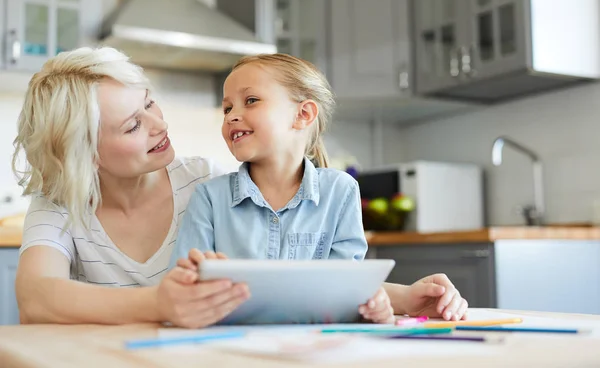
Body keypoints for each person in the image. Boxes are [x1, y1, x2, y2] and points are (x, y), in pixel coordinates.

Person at [172, 54, 469, 324]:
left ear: (303, 114)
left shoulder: (340, 191)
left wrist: (372, 305)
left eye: (250, 100)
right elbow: (182, 289)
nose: (232, 116)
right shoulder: (209, 198)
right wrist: (199, 279)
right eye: (227, 108)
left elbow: (345, 290)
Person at [12, 47, 249, 328]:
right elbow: (34, 300)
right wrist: (159, 304)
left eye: (149, 104)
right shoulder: (61, 202)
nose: (160, 124)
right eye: (133, 125)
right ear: (87, 154)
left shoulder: (205, 180)